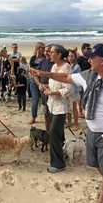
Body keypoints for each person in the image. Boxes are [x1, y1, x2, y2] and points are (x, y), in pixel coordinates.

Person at [31, 43, 103, 203]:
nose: (88, 61)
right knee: (94, 163)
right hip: (92, 129)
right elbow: (66, 77)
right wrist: (43, 73)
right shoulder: (89, 75)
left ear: (102, 60)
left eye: (92, 58)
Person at [34, 44, 71, 173]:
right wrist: (46, 88)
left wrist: (53, 93)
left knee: (54, 133)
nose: (49, 53)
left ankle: (58, 164)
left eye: (52, 52)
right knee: (58, 133)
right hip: (52, 104)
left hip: (61, 106)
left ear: (60, 54)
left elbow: (67, 89)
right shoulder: (54, 66)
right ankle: (62, 154)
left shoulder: (66, 67)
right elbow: (54, 84)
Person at [34, 44, 54, 130]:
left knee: (53, 116)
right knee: (46, 114)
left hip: (53, 94)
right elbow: (35, 75)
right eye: (45, 51)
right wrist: (39, 84)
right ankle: (48, 133)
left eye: (48, 51)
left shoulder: (56, 63)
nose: (46, 53)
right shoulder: (42, 62)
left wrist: (48, 86)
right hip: (43, 94)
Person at [29, 42, 45, 124]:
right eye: (39, 48)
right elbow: (32, 71)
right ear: (36, 48)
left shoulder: (45, 58)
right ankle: (33, 117)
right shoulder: (32, 58)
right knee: (35, 100)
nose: (41, 49)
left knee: (45, 101)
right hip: (34, 82)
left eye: (42, 48)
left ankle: (47, 117)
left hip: (43, 82)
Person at [67, 49, 81, 130]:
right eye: (69, 56)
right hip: (68, 88)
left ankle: (76, 124)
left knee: (74, 107)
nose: (70, 58)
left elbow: (70, 76)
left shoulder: (77, 66)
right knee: (68, 106)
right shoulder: (68, 65)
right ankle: (69, 122)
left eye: (72, 56)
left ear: (75, 57)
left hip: (74, 89)